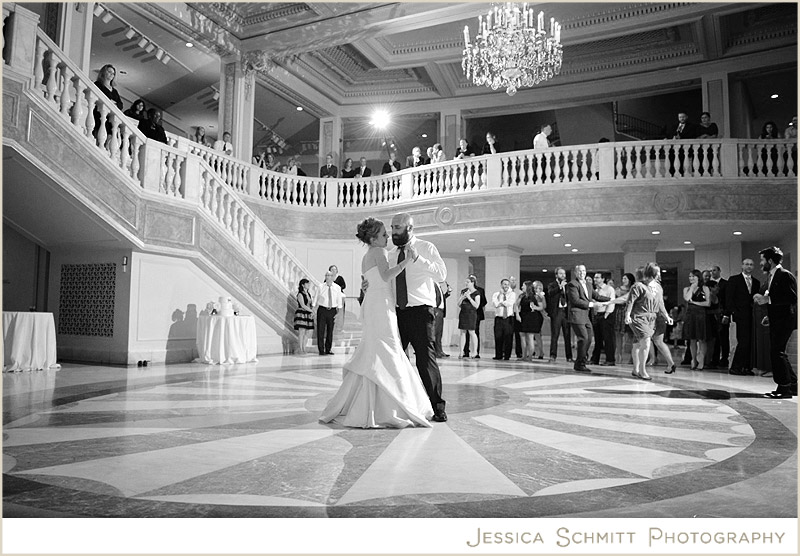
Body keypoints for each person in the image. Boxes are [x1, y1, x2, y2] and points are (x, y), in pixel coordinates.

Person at [319, 218, 432, 428]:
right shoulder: (378, 252)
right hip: (381, 304)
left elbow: (370, 280)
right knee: (387, 347)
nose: (387, 236)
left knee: (380, 347)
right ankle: (392, 404)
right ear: (373, 238)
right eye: (383, 234)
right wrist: (407, 261)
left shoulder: (366, 256)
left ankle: (376, 401)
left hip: (375, 302)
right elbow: (387, 275)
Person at [387, 213, 447, 421]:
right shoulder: (391, 254)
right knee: (395, 360)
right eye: (392, 227)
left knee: (425, 360)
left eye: (397, 227)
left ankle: (437, 407)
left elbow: (441, 274)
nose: (393, 232)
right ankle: (399, 404)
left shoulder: (426, 248)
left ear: (409, 228)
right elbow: (388, 282)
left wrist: (418, 259)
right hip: (398, 313)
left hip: (422, 312)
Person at [754, 246, 797, 399]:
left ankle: (784, 388)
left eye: (762, 260)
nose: (760, 263)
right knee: (779, 353)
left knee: (777, 352)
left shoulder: (784, 275)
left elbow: (792, 298)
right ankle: (792, 385)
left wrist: (767, 299)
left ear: (770, 261)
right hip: (777, 319)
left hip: (785, 320)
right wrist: (770, 315)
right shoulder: (773, 275)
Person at [625, 264, 672, 381]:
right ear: (653, 273)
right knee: (646, 342)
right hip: (639, 317)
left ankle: (636, 369)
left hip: (652, 318)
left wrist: (666, 316)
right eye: (658, 272)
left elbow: (660, 303)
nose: (660, 274)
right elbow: (630, 302)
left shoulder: (658, 287)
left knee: (638, 344)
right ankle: (642, 370)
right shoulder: (638, 286)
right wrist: (627, 315)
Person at [567, 264, 609, 373]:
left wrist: (612, 300)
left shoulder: (589, 285)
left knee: (589, 339)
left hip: (586, 317)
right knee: (583, 338)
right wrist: (592, 305)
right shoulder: (572, 284)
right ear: (576, 273)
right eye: (579, 271)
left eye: (584, 271)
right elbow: (575, 301)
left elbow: (597, 297)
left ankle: (580, 362)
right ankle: (580, 363)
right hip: (577, 316)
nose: (582, 273)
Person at [725, 258, 760, 376]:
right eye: (746, 264)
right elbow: (729, 298)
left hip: (752, 316)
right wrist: (733, 312)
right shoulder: (734, 280)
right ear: (742, 266)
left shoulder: (756, 282)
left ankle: (746, 367)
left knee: (750, 342)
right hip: (739, 315)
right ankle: (736, 367)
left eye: (751, 264)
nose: (749, 266)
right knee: (742, 341)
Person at [649, 267, 677, 374]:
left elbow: (660, 303)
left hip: (654, 317)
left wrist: (666, 316)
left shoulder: (654, 286)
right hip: (654, 316)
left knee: (653, 341)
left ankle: (669, 363)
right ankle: (670, 363)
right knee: (656, 341)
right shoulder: (654, 286)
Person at [682, 269, 712, 370]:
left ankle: (702, 360)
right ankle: (693, 359)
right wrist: (692, 288)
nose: (691, 278)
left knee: (702, 339)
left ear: (698, 277)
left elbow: (707, 303)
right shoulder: (686, 289)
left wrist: (695, 303)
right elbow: (687, 298)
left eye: (693, 276)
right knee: (692, 339)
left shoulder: (705, 288)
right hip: (690, 315)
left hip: (701, 315)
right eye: (690, 276)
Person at [546, 267, 573, 363]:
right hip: (556, 312)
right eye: (561, 274)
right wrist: (560, 287)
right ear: (556, 275)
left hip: (565, 312)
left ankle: (569, 357)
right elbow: (550, 293)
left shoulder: (568, 285)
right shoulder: (552, 285)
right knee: (555, 335)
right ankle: (553, 356)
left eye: (564, 274)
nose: (563, 275)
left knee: (567, 335)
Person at [314, 270, 343, 355]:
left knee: (330, 330)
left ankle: (328, 349)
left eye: (329, 276)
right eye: (326, 275)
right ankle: (321, 350)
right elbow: (316, 297)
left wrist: (339, 310)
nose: (327, 277)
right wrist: (313, 307)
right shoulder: (320, 286)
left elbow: (339, 299)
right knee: (321, 330)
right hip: (322, 309)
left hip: (332, 310)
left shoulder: (337, 287)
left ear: (332, 277)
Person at [590, 272, 616, 366]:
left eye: (597, 277)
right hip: (597, 315)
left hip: (606, 315)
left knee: (608, 338)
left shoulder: (609, 289)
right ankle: (595, 359)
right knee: (598, 339)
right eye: (594, 277)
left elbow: (612, 302)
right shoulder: (595, 290)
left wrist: (606, 314)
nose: (595, 279)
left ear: (603, 279)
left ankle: (610, 360)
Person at [93, 63, 123, 138]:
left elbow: (120, 104)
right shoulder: (98, 84)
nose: (111, 75)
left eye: (113, 73)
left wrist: (114, 104)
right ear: (104, 72)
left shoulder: (114, 91)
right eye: (109, 72)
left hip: (111, 116)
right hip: (100, 114)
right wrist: (111, 102)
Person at [462, 274, 487, 358]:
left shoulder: (480, 290)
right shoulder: (464, 291)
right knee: (465, 333)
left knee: (475, 332)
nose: (467, 283)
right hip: (465, 313)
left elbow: (483, 302)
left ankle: (476, 352)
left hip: (476, 313)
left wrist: (472, 302)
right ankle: (465, 351)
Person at [492, 279, 516, 361]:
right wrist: (501, 302)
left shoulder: (512, 294)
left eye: (507, 284)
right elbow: (495, 304)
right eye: (504, 284)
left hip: (508, 319)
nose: (506, 286)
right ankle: (498, 355)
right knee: (498, 337)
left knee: (508, 337)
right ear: (501, 285)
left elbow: (510, 303)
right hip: (499, 318)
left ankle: (507, 355)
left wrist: (501, 303)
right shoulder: (496, 294)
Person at [458, 277, 481, 359]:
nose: (466, 283)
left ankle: (474, 352)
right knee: (462, 333)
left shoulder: (477, 293)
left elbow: (476, 306)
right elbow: (459, 304)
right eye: (466, 281)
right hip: (463, 313)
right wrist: (463, 297)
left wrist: (469, 298)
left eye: (468, 282)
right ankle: (461, 352)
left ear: (472, 283)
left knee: (472, 332)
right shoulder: (464, 291)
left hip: (471, 314)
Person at [293, 278, 314, 354]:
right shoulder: (300, 294)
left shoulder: (309, 294)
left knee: (308, 332)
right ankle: (300, 348)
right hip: (302, 313)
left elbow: (310, 304)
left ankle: (304, 348)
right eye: (307, 284)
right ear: (303, 285)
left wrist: (312, 311)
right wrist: (311, 310)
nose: (309, 285)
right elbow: (302, 305)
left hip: (308, 313)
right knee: (301, 332)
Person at [433, 281, 451, 358]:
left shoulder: (438, 286)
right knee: (435, 332)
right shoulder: (433, 285)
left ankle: (439, 351)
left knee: (439, 333)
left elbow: (441, 298)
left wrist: (447, 293)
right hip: (436, 310)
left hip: (440, 311)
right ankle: (435, 351)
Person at [329, 265, 347, 329]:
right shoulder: (328, 278)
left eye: (335, 269)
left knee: (340, 311)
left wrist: (337, 289)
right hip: (331, 297)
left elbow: (344, 285)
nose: (333, 271)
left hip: (339, 297)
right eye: (332, 270)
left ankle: (340, 327)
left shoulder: (340, 278)